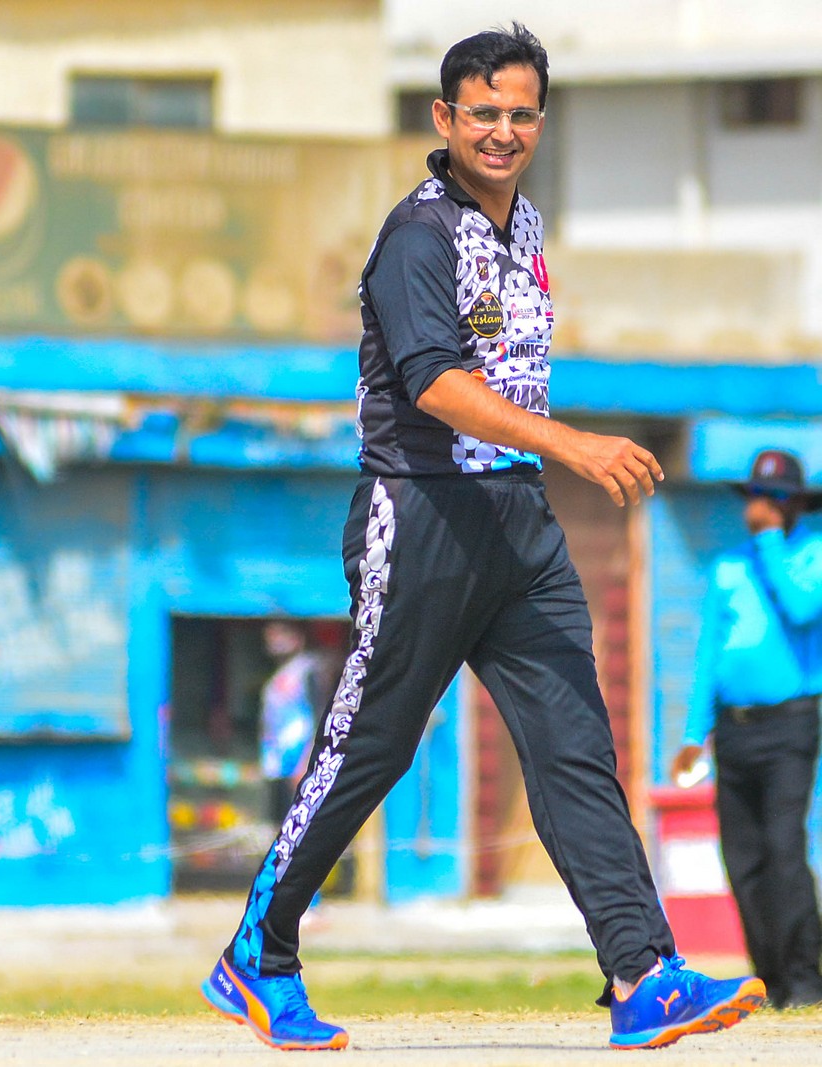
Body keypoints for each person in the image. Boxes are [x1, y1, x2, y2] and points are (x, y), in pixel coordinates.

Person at [200, 23, 764, 1052]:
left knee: (575, 747)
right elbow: (435, 382)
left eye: (521, 114)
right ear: (445, 118)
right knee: (368, 746)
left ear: (541, 121)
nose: (502, 131)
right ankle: (259, 950)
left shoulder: (526, 226)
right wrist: (573, 444)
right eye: (483, 113)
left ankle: (642, 974)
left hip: (519, 527)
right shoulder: (417, 236)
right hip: (421, 515)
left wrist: (545, 461)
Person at [671, 449, 822, 1010]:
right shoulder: (727, 567)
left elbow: (801, 608)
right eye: (757, 495)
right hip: (733, 734)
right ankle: (771, 979)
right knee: (743, 859)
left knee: (783, 849)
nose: (762, 506)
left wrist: (770, 540)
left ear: (795, 504)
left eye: (775, 497)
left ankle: (805, 980)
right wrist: (694, 735)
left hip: (790, 726)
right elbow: (709, 656)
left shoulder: (810, 555)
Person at [260, 621, 318, 820]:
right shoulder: (278, 675)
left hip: (298, 760)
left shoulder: (307, 670)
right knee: (278, 820)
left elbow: (320, 715)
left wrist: (307, 761)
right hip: (277, 761)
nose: (274, 640)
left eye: (281, 634)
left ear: (297, 638)